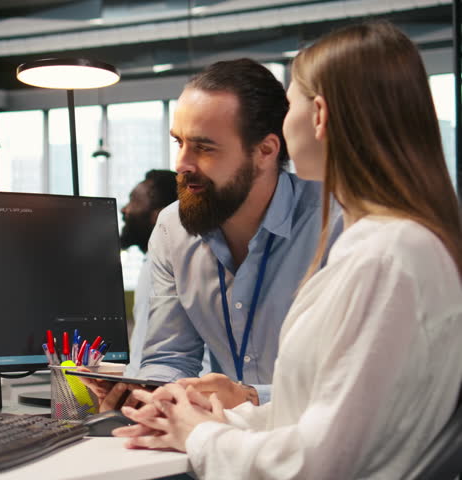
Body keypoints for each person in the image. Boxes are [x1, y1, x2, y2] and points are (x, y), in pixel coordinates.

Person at [115, 21, 462, 479]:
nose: (181, 164)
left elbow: (319, 458)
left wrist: (202, 435)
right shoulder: (388, 245)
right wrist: (189, 417)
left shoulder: (384, 255)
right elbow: (314, 416)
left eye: (291, 102)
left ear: (318, 115)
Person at [88, 58, 341, 411]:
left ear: (265, 151)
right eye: (179, 142)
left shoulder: (336, 223)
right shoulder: (173, 229)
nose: (181, 164)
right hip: (216, 436)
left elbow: (354, 380)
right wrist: (150, 396)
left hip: (315, 433)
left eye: (204, 148)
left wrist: (252, 398)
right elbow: (170, 357)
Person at [119, 169, 177, 376]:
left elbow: (148, 354)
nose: (124, 209)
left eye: (134, 201)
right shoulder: (152, 261)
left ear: (160, 216)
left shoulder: (165, 265)